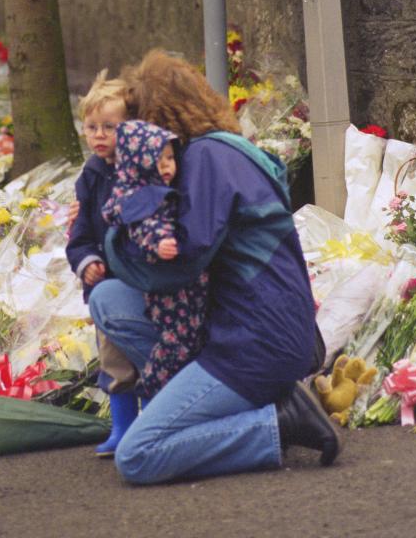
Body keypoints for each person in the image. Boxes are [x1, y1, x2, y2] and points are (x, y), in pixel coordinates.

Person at [89, 49, 338, 484]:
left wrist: (113, 240)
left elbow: (180, 266)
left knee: (139, 457)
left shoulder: (205, 160)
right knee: (109, 299)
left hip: (256, 342)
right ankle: (199, 406)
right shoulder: (226, 150)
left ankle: (278, 421)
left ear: (159, 119)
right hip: (251, 325)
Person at [101, 120, 209, 401]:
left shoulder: (145, 191)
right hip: (172, 294)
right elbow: (147, 226)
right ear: (140, 163)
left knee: (186, 338)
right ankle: (156, 389)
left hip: (184, 290)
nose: (167, 167)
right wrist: (160, 244)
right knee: (177, 343)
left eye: (171, 158)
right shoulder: (146, 197)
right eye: (158, 161)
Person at [65, 71, 139, 453]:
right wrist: (87, 261)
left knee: (148, 355)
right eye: (91, 127)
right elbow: (78, 237)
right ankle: (123, 426)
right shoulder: (91, 176)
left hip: (141, 282)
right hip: (104, 289)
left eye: (109, 127)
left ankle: (154, 421)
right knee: (114, 360)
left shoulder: (140, 170)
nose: (98, 135)